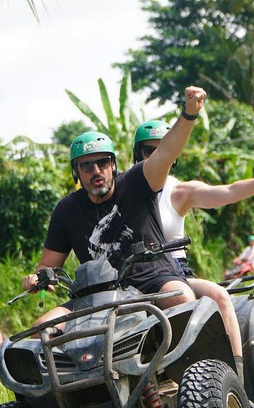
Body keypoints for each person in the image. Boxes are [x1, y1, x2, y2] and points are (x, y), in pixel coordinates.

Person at [21, 86, 208, 329]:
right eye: (86, 166)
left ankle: (192, 366)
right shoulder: (67, 209)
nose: (96, 171)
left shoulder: (138, 182)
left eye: (102, 162)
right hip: (96, 294)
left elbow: (166, 151)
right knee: (42, 330)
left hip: (153, 280)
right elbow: (48, 264)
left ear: (113, 164)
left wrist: (189, 114)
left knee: (180, 297)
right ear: (76, 172)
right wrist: (37, 278)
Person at [133, 119, 254, 381]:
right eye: (150, 151)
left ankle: (236, 380)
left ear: (174, 155)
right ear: (138, 154)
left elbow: (227, 191)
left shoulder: (180, 191)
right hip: (133, 279)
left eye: (165, 150)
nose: (158, 156)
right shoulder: (123, 191)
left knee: (218, 295)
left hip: (174, 273)